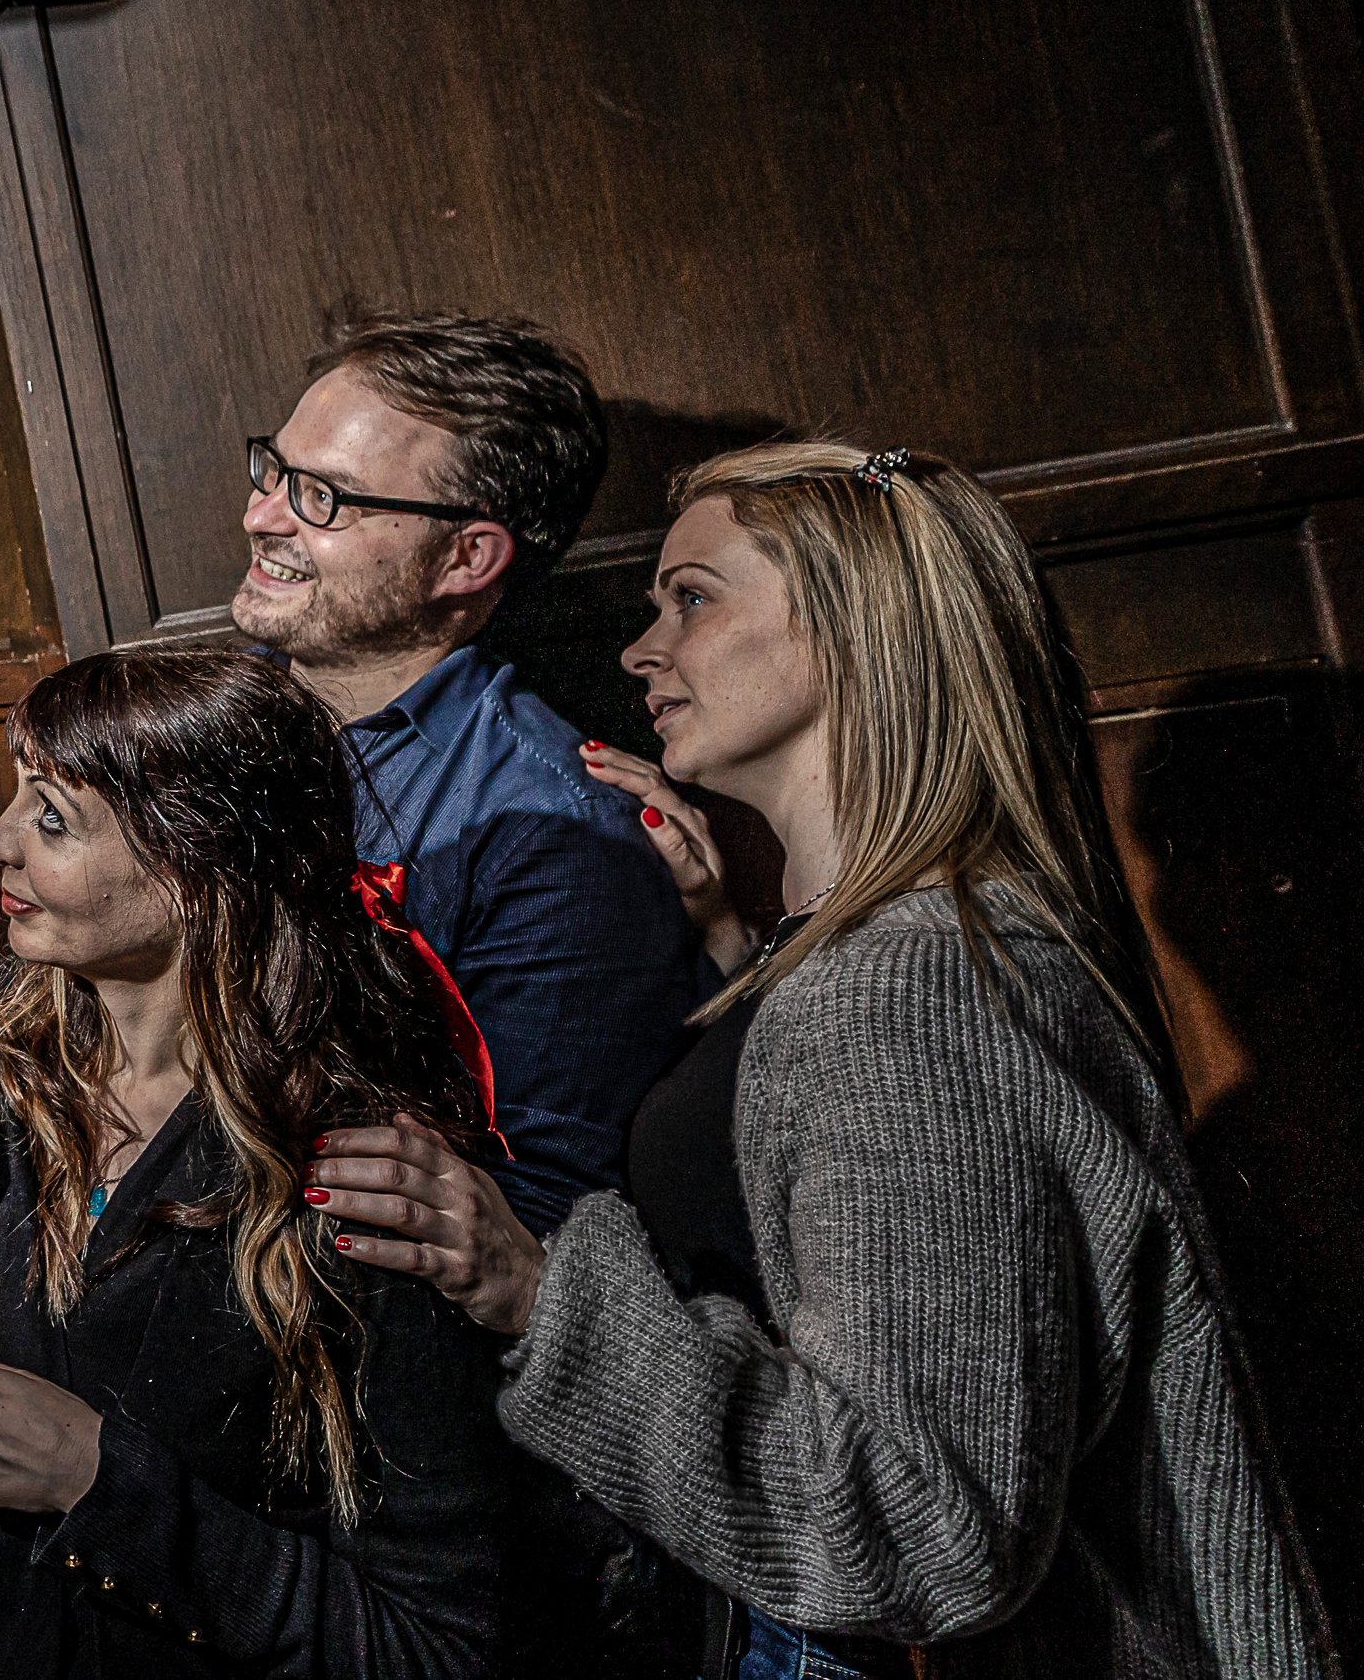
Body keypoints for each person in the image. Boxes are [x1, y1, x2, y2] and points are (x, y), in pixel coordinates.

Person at [307, 443, 1338, 1678]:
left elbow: (918, 1529)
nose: (643, 651)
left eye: (692, 597)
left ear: (856, 630)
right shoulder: (875, 954)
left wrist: (536, 1289)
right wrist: (735, 953)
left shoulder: (910, 990)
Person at [0, 645, 522, 1677]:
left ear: (197, 871)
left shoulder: (361, 1164)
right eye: (16, 800)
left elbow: (435, 1644)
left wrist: (100, 1486)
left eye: (52, 820)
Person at [238, 314, 697, 1235]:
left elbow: (543, 1215)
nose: (263, 515)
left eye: (322, 497)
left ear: (466, 555)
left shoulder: (554, 830)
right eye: (275, 471)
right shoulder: (205, 730)